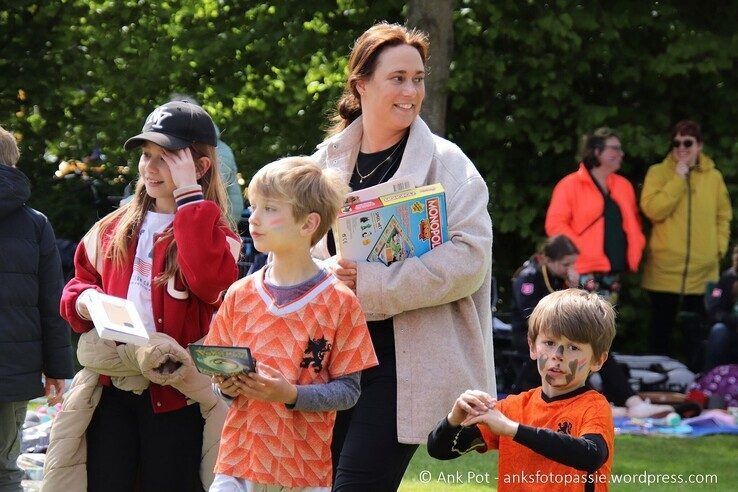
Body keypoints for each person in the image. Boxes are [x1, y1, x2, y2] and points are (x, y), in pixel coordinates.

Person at [310, 22, 495, 490]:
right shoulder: (322, 164)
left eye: (418, 78)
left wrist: (371, 283)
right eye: (398, 78)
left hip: (402, 366)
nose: (412, 91)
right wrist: (323, 270)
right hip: (327, 359)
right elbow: (291, 245)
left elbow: (470, 259)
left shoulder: (450, 164)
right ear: (361, 84)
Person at [59, 100, 240, 491]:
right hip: (114, 390)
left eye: (166, 157)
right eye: (145, 156)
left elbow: (209, 285)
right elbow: (79, 282)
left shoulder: (219, 234)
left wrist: (190, 197)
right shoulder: (113, 227)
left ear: (201, 166)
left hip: (177, 396)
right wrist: (86, 300)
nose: (150, 167)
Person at [204, 157, 378, 491]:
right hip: (238, 462)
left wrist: (291, 394)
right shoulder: (240, 294)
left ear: (308, 224)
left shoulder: (341, 302)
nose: (253, 218)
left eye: (269, 208)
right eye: (254, 206)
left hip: (303, 471)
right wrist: (226, 386)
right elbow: (219, 381)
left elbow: (349, 392)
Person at [427, 289, 615, 491]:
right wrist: (454, 419)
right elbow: (441, 450)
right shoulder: (512, 409)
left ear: (598, 360)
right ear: (533, 347)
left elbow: (591, 455)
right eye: (550, 343)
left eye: (573, 347)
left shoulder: (593, 407)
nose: (558, 355)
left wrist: (512, 429)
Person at [511, 235, 672, 418]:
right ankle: (604, 403)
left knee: (593, 347)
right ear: (548, 260)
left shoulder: (558, 276)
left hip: (559, 334)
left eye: (573, 264)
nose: (570, 269)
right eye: (565, 264)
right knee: (577, 352)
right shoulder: (528, 277)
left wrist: (573, 287)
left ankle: (627, 402)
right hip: (533, 336)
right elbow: (531, 316)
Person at [0, 126, 74, 491]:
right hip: (11, 369)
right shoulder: (35, 224)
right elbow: (51, 303)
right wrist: (58, 369)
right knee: (5, 470)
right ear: (13, 163)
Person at [641, 120, 732, 369]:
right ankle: (656, 379)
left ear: (699, 145)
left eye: (688, 142)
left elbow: (723, 216)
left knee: (697, 333)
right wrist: (678, 180)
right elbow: (653, 210)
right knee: (660, 331)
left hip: (702, 271)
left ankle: (696, 382)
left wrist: (718, 249)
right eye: (677, 143)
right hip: (664, 270)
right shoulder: (658, 173)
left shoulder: (714, 177)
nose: (682, 147)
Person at [545, 127, 645, 305]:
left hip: (613, 270)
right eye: (614, 148)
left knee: (607, 326)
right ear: (596, 151)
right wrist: (580, 251)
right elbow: (555, 225)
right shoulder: (569, 185)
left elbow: (633, 224)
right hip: (583, 269)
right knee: (583, 326)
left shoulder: (624, 186)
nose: (621, 153)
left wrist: (637, 247)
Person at [702, 244, 738, 372]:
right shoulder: (726, 279)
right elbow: (714, 310)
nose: (737, 257)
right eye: (735, 253)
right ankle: (708, 378)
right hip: (731, 328)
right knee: (719, 330)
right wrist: (733, 321)